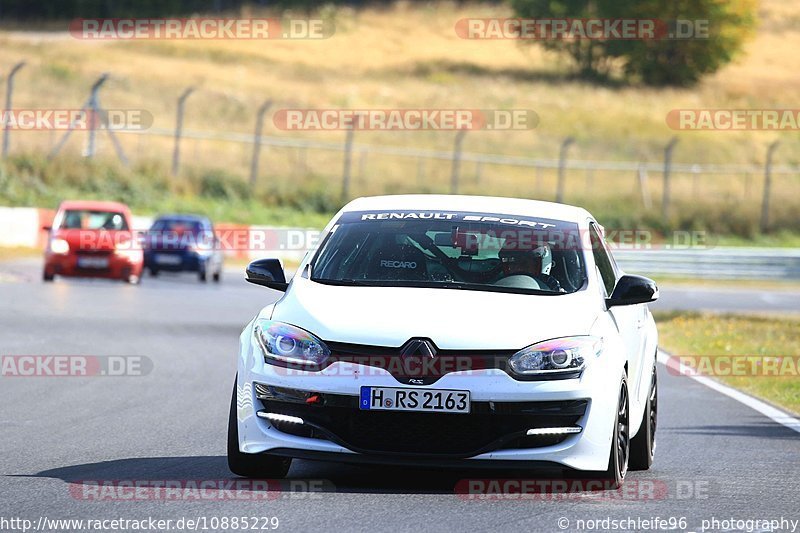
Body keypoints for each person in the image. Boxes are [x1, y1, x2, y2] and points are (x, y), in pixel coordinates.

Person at [497, 241, 563, 292]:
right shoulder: (493, 283)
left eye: (525, 263)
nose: (518, 267)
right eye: (513, 261)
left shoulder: (553, 288)